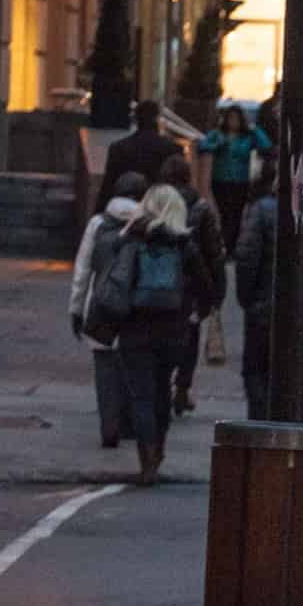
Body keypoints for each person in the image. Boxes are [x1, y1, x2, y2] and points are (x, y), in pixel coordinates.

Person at [100, 184, 215, 486]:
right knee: (162, 390)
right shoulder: (184, 245)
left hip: (134, 329)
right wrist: (195, 312)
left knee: (141, 396)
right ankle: (159, 450)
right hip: (173, 330)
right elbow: (207, 287)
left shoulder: (132, 239)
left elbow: (115, 276)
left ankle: (146, 457)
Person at [232, 170, 303, 421]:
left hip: (265, 309)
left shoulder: (262, 211)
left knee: (258, 373)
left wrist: (249, 300)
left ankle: (261, 428)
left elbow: (246, 259)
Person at [70, 174, 148, 445]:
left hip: (101, 306)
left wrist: (76, 309)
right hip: (136, 307)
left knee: (104, 368)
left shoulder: (98, 223)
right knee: (132, 366)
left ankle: (109, 427)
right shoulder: (147, 222)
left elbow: (82, 270)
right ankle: (128, 425)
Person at [151, 155, 227, 415]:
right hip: (192, 284)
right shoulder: (201, 208)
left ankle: (161, 382)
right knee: (189, 337)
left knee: (159, 333)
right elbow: (214, 251)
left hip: (158, 282)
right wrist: (217, 290)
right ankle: (182, 387)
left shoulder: (153, 204)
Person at [199, 105, 271, 245]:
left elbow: (266, 146)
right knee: (224, 213)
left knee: (237, 214)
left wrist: (254, 129)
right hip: (220, 180)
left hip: (240, 181)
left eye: (236, 118)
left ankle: (232, 245)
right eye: (231, 118)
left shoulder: (248, 136)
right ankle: (225, 243)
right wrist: (217, 145)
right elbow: (202, 146)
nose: (233, 121)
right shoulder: (217, 134)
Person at [100, 99, 185, 211]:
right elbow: (180, 187)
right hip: (161, 211)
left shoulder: (119, 148)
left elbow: (108, 187)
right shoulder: (173, 149)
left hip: (126, 211)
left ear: (136, 119)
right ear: (157, 119)